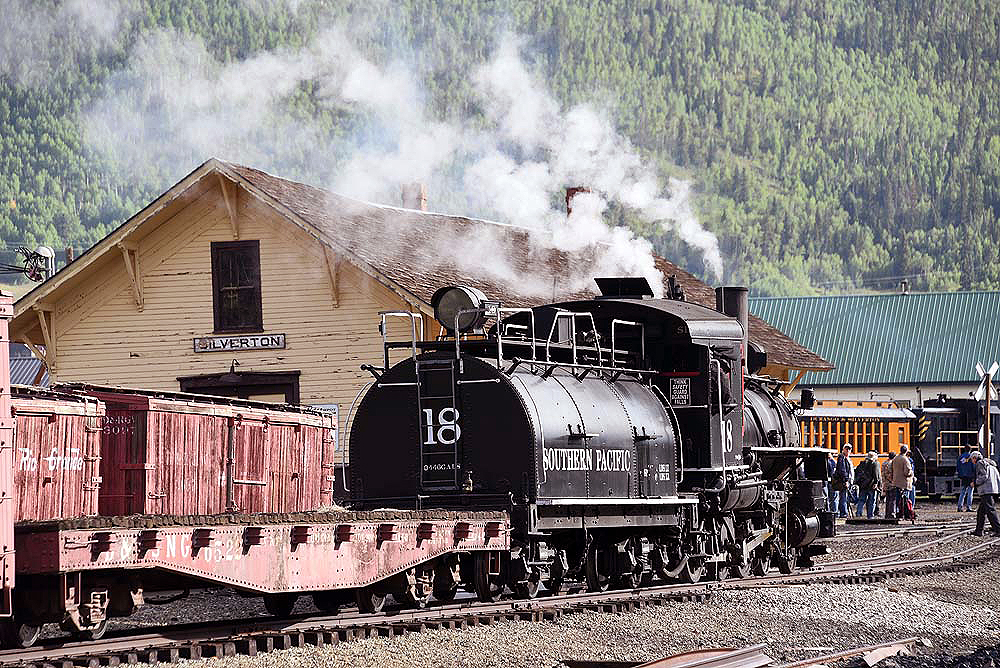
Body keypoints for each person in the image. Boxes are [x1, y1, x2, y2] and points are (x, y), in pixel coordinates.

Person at [969, 451, 1000, 536]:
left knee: (990, 510)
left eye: (972, 459)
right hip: (993, 488)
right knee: (981, 512)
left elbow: (983, 476)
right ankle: (979, 531)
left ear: (975, 458)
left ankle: (998, 530)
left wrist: (975, 483)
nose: (972, 461)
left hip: (986, 490)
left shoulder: (980, 463)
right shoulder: (990, 464)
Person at [854, 450, 881, 519]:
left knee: (861, 500)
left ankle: (858, 513)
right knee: (872, 501)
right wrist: (876, 483)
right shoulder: (875, 463)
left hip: (863, 485)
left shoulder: (862, 463)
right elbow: (876, 474)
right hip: (871, 485)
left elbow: (856, 471)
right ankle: (870, 515)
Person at [891, 444, 915, 519]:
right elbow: (907, 472)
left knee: (898, 499)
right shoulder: (905, 459)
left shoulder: (895, 458)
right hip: (904, 483)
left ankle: (899, 512)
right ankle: (906, 513)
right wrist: (912, 473)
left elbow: (892, 470)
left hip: (896, 482)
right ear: (906, 451)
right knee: (906, 499)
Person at [833, 444, 854, 518]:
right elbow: (842, 470)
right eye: (847, 449)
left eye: (849, 449)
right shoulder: (842, 457)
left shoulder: (848, 458)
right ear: (843, 449)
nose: (848, 450)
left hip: (849, 481)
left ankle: (844, 512)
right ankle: (843, 513)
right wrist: (846, 480)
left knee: (845, 497)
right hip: (845, 481)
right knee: (843, 497)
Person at [957, 444, 976, 512]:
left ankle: (959, 507)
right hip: (970, 477)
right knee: (970, 492)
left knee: (962, 492)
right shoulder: (971, 457)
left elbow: (958, 467)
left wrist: (960, 475)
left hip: (963, 476)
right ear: (970, 450)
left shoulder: (960, 457)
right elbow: (973, 467)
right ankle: (969, 507)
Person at [882, 451, 896, 518]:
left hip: (885, 483)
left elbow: (883, 473)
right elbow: (890, 474)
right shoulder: (892, 463)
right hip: (891, 483)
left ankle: (887, 514)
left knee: (888, 499)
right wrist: (893, 481)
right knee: (892, 499)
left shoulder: (884, 463)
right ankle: (891, 513)